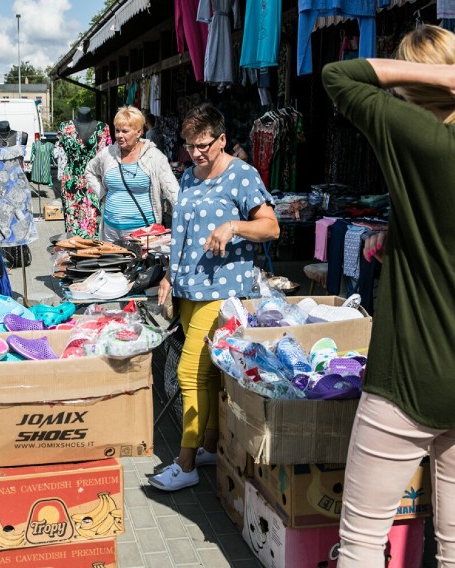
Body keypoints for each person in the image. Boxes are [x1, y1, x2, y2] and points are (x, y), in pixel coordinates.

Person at [321, 26, 455, 566]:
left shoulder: (423, 140)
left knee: (360, 542)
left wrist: (441, 76)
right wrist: (397, 234)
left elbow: (340, 76)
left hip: (412, 376)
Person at [151, 103, 278, 491]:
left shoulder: (243, 175)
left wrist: (234, 226)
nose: (197, 152)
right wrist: (170, 275)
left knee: (188, 372)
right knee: (204, 375)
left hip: (222, 289)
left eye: (204, 144)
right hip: (189, 287)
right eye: (190, 145)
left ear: (222, 139)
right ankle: (208, 445)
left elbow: (271, 227)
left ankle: (185, 462)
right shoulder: (189, 176)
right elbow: (182, 232)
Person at [85, 106, 180, 241]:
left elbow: (174, 192)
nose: (119, 135)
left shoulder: (154, 157)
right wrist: (101, 194)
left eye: (125, 131)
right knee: (111, 262)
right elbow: (89, 171)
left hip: (142, 232)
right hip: (110, 231)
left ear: (139, 132)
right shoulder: (108, 153)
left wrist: (185, 223)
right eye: (117, 131)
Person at [56, 106, 111, 239]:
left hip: (95, 181)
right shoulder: (64, 127)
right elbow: (59, 154)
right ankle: (74, 255)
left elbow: (108, 156)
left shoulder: (103, 127)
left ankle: (92, 255)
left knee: (95, 220)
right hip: (71, 182)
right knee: (72, 221)